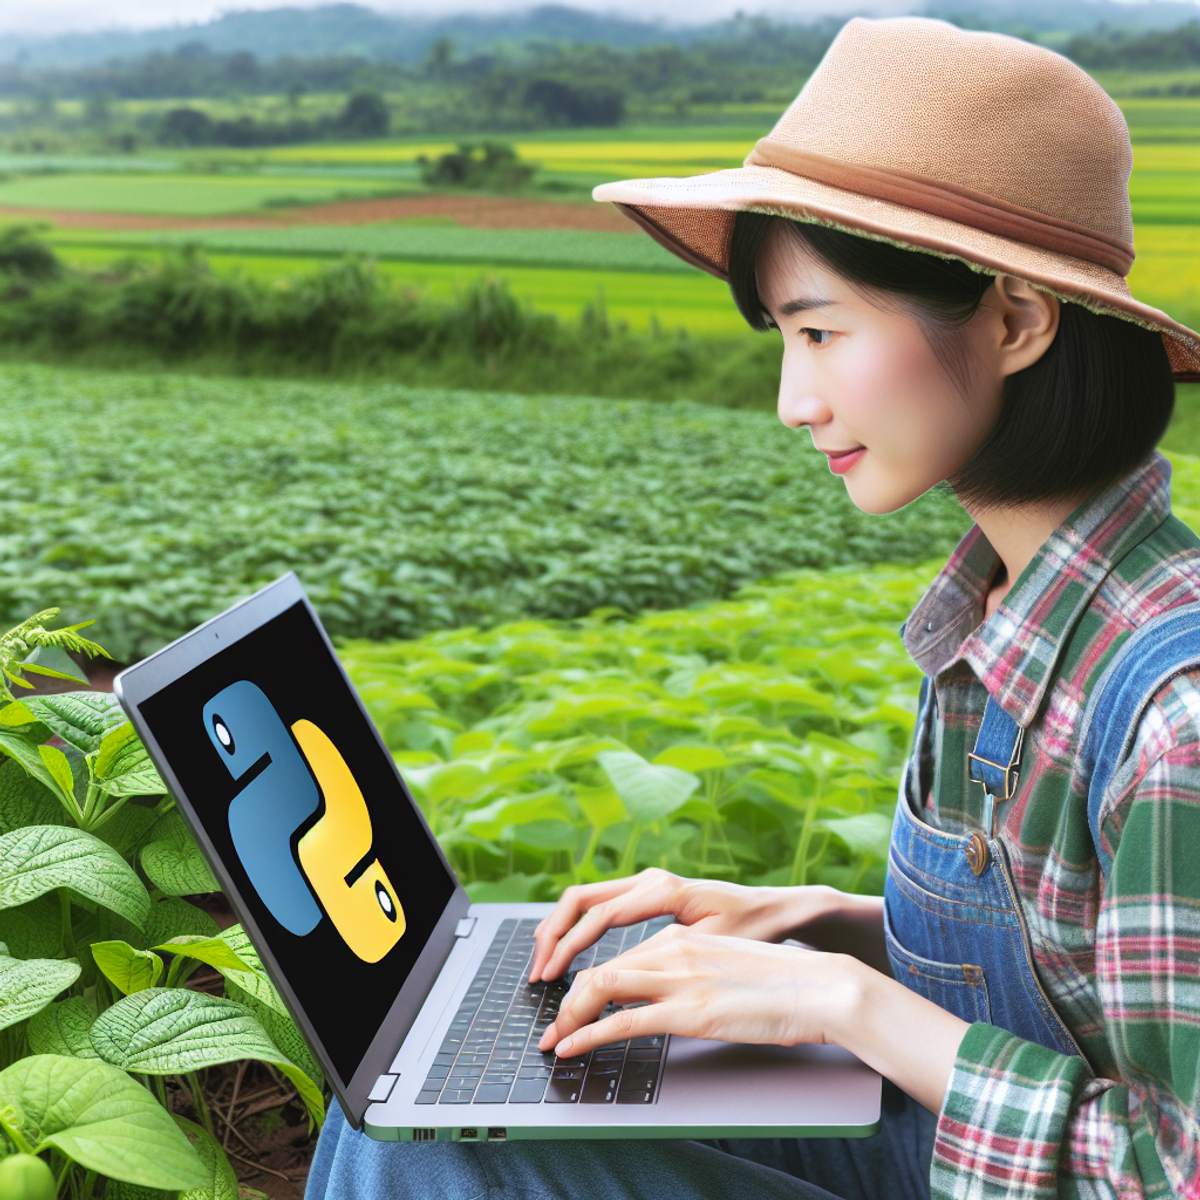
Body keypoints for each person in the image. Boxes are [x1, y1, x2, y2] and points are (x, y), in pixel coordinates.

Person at [305, 16, 1200, 1200]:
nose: (793, 398)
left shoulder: (1170, 715)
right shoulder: (1006, 612)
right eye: (786, 337)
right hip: (955, 1152)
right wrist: (822, 929)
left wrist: (850, 1005)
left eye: (824, 333)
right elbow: (1071, 989)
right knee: (417, 1098)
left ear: (1017, 321)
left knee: (417, 1140)